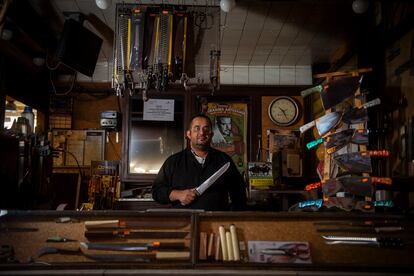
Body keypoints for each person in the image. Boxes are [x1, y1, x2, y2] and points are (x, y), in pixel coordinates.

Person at [152, 114, 247, 211]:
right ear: (189, 134)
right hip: (184, 223)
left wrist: (232, 217)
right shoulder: (173, 162)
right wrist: (177, 194)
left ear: (211, 134)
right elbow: (157, 192)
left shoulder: (224, 160)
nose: (202, 133)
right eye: (197, 128)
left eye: (206, 129)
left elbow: (239, 194)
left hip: (217, 223)